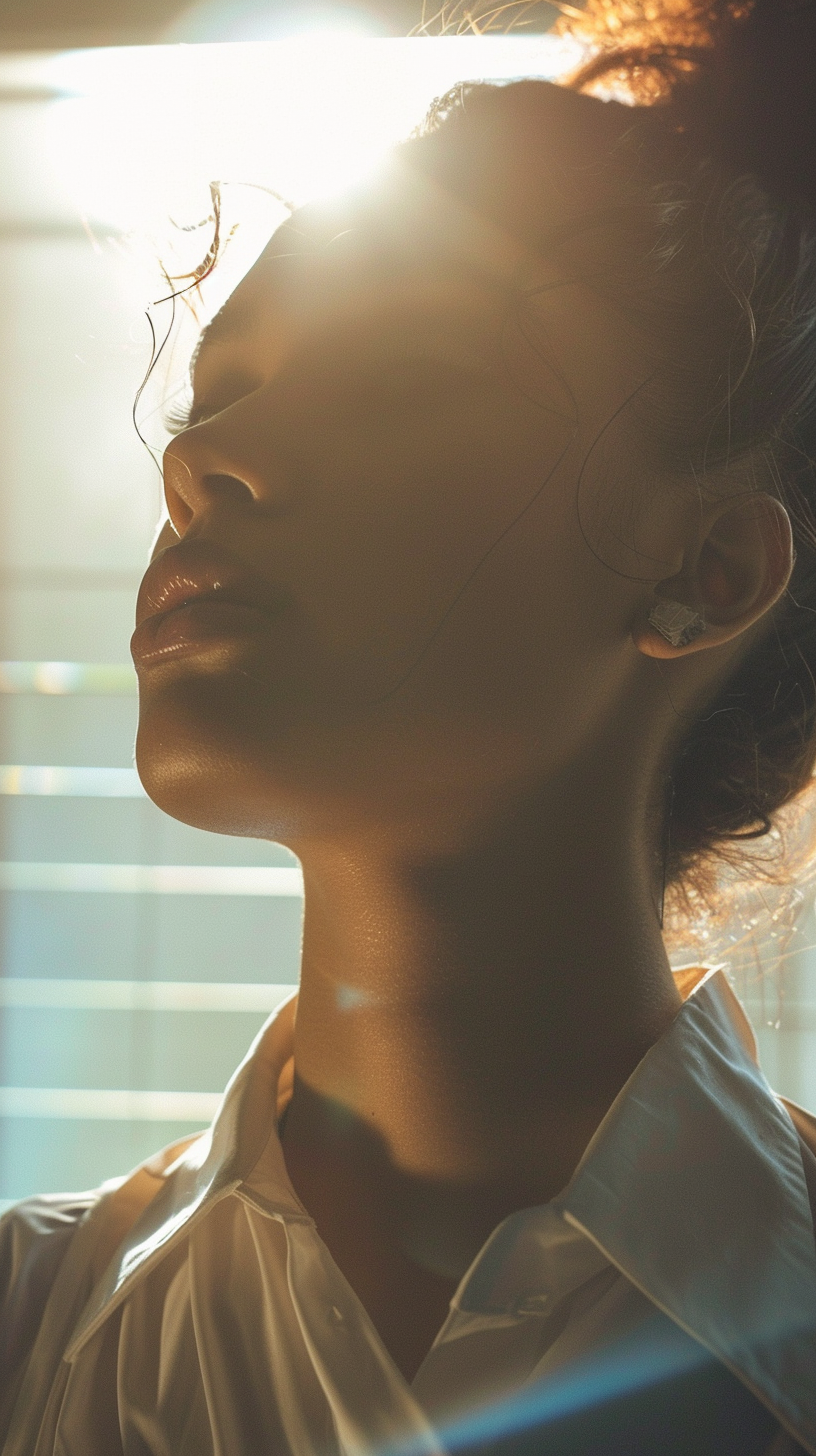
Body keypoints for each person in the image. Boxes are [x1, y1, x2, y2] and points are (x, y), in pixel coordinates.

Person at [3, 0, 816, 1451]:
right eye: (219, 391)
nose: (206, 457)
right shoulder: (24, 1332)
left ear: (708, 574)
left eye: (405, 374)